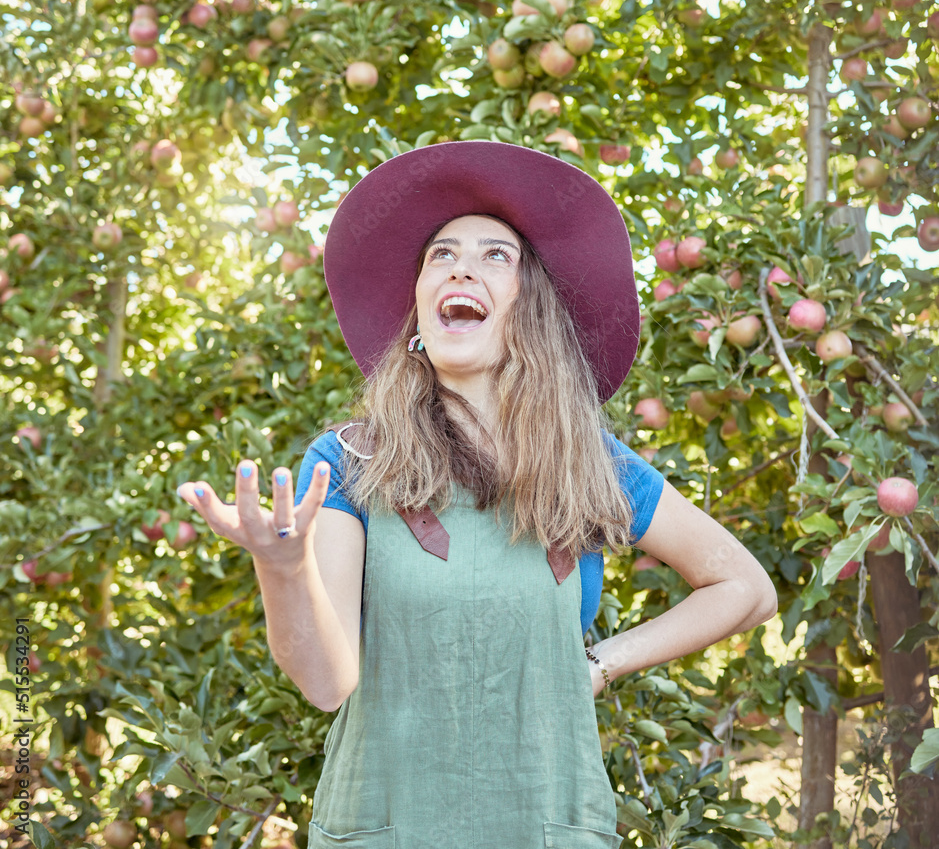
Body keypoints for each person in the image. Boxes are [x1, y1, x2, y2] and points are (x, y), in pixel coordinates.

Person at [177, 141, 777, 849]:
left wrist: (600, 663)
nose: (460, 265)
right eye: (440, 255)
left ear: (530, 310)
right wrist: (280, 570)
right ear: (419, 317)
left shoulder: (588, 463)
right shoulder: (347, 462)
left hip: (545, 829)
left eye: (495, 255)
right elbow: (326, 681)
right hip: (386, 829)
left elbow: (745, 588)